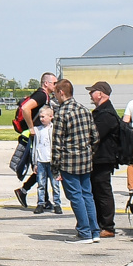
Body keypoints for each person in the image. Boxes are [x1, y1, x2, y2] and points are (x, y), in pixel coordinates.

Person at [50, 79, 98, 242]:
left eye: (55, 92)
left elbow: (57, 144)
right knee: (87, 195)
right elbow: (95, 137)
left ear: (61, 92)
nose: (55, 96)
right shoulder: (84, 110)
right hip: (85, 160)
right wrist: (87, 150)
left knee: (76, 196)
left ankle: (84, 232)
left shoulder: (61, 114)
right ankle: (94, 231)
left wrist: (54, 167)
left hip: (69, 162)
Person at [14, 72, 58, 209]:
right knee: (42, 167)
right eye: (54, 83)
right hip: (37, 136)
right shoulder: (41, 95)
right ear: (46, 83)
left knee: (42, 167)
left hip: (40, 135)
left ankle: (40, 198)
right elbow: (26, 108)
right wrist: (32, 128)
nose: (55, 86)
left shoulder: (44, 96)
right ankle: (25, 191)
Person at [88, 81, 121, 239]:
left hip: (103, 158)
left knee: (103, 192)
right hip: (98, 158)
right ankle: (100, 223)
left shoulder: (106, 113)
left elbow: (95, 135)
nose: (90, 95)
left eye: (92, 92)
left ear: (100, 93)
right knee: (97, 191)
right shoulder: (101, 111)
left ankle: (108, 226)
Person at [31, 103, 61, 214]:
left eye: (44, 117)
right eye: (40, 117)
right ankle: (40, 203)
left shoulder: (54, 130)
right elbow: (35, 146)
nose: (41, 119)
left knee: (55, 184)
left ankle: (57, 204)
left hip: (51, 161)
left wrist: (58, 162)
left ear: (51, 117)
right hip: (41, 161)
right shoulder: (38, 130)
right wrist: (35, 162)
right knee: (41, 184)